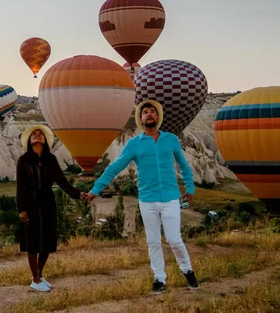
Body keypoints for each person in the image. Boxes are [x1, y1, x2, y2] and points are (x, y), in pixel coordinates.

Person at [85, 99, 200, 292]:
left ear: (158, 117)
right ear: (140, 118)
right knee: (153, 241)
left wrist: (189, 190)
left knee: (174, 239)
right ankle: (159, 279)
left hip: (171, 198)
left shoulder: (171, 139)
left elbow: (184, 166)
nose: (149, 114)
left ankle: (188, 271)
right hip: (147, 200)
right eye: (145, 112)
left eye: (152, 112)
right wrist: (95, 189)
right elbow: (115, 167)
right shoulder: (134, 144)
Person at [16, 124, 88, 293]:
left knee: (47, 243)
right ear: (29, 140)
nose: (37, 135)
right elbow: (20, 187)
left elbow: (62, 182)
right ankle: (34, 279)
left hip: (48, 203)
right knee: (33, 243)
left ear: (45, 139)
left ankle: (39, 276)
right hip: (31, 203)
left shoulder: (52, 159)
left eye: (40, 133)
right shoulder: (23, 160)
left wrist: (78, 194)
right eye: (34, 134)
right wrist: (22, 209)